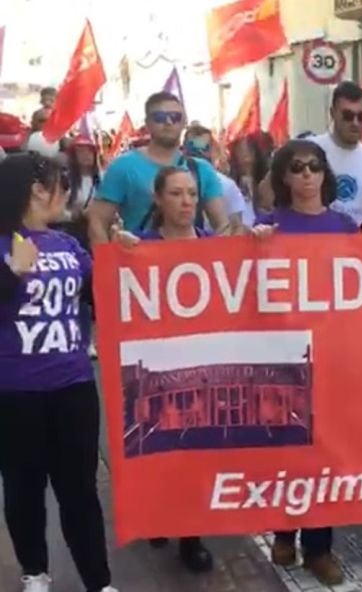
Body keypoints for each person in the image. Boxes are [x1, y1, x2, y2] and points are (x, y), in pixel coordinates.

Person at [0, 153, 118, 592]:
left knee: (79, 492)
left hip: (73, 387)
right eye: (61, 185)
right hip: (15, 393)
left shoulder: (67, 245)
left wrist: (122, 255)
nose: (65, 193)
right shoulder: (3, 242)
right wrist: (13, 272)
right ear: (36, 189)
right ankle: (35, 573)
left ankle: (98, 581)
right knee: (23, 488)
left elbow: (103, 292)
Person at [252, 140, 355, 586]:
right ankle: (283, 530)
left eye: (315, 167)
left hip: (332, 355)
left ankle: (319, 547)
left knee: (324, 454)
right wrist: (250, 244)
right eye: (298, 167)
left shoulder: (346, 226)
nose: (308, 175)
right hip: (282, 357)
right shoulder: (268, 227)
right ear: (285, 177)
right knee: (287, 450)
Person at [108, 167, 217, 571]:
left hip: (202, 366)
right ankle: (157, 515)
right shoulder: (141, 247)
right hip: (156, 368)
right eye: (176, 193)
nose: (186, 202)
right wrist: (123, 256)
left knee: (196, 455)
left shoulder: (214, 246)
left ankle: (192, 537)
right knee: (158, 449)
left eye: (192, 193)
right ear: (158, 199)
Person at [87, 92, 229, 245]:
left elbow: (223, 225)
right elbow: (98, 221)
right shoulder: (123, 167)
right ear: (147, 123)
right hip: (139, 262)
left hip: (193, 263)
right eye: (160, 117)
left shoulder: (203, 169)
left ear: (183, 122)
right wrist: (109, 263)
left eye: (175, 117)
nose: (168, 122)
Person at [310, 81, 362, 225]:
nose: (355, 123)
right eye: (347, 115)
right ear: (332, 113)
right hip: (315, 241)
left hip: (357, 244)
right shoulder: (309, 151)